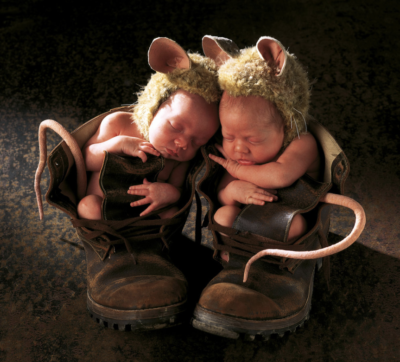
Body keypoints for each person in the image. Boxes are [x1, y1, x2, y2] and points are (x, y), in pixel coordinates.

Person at [77, 38, 221, 220]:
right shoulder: (119, 124)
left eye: (197, 142)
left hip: (144, 222)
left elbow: (179, 189)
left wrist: (169, 193)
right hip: (103, 209)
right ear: (155, 106)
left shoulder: (178, 161)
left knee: (170, 214)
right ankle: (108, 242)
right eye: (176, 126)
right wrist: (118, 145)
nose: (183, 143)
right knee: (88, 206)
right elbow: (83, 161)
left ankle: (151, 245)